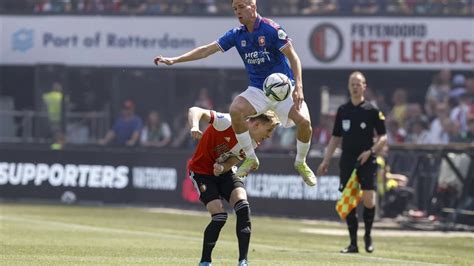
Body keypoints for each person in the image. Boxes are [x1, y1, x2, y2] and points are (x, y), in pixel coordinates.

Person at [153, 0, 316, 186]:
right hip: (258, 89)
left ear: (253, 7)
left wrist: (299, 86)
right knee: (235, 109)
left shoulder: (271, 29)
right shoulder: (236, 34)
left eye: (241, 7)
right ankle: (251, 158)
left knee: (305, 123)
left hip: (284, 89)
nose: (237, 12)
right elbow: (206, 50)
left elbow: (293, 57)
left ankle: (301, 162)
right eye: (235, 9)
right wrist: (174, 60)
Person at [187, 106, 279, 266]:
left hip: (224, 173)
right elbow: (195, 110)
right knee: (220, 216)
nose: (270, 136)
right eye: (269, 130)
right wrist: (194, 126)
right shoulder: (228, 122)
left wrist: (222, 168)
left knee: (243, 207)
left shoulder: (252, 143)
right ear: (256, 124)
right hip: (201, 172)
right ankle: (205, 262)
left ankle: (243, 261)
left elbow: (232, 161)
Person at [317, 71, 387, 253]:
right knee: (349, 200)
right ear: (349, 87)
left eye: (359, 84)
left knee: (369, 199)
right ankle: (353, 243)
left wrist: (370, 151)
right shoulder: (343, 110)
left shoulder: (372, 111)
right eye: (352, 84)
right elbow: (335, 137)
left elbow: (383, 137)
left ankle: (368, 235)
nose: (355, 87)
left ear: (364, 86)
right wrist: (326, 160)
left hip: (367, 159)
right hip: (347, 160)